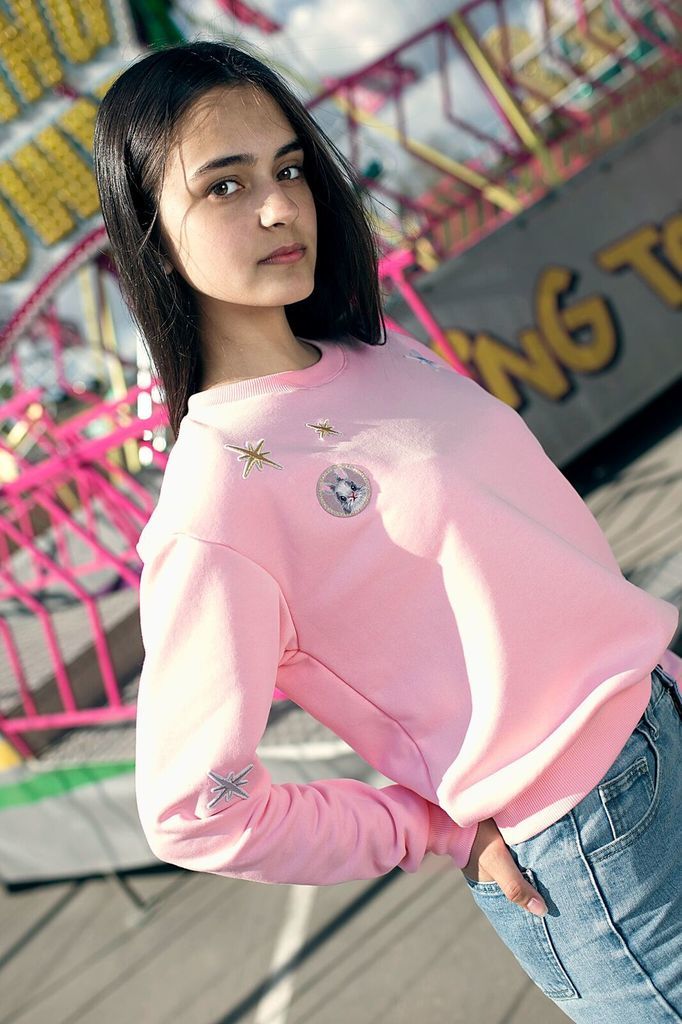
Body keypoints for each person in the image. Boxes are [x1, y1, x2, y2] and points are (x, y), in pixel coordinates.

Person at [93, 39, 682, 1022]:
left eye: (287, 169)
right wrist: (428, 829)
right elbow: (193, 810)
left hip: (655, 722)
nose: (278, 207)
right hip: (588, 847)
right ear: (150, 236)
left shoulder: (372, 350)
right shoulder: (216, 502)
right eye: (225, 186)